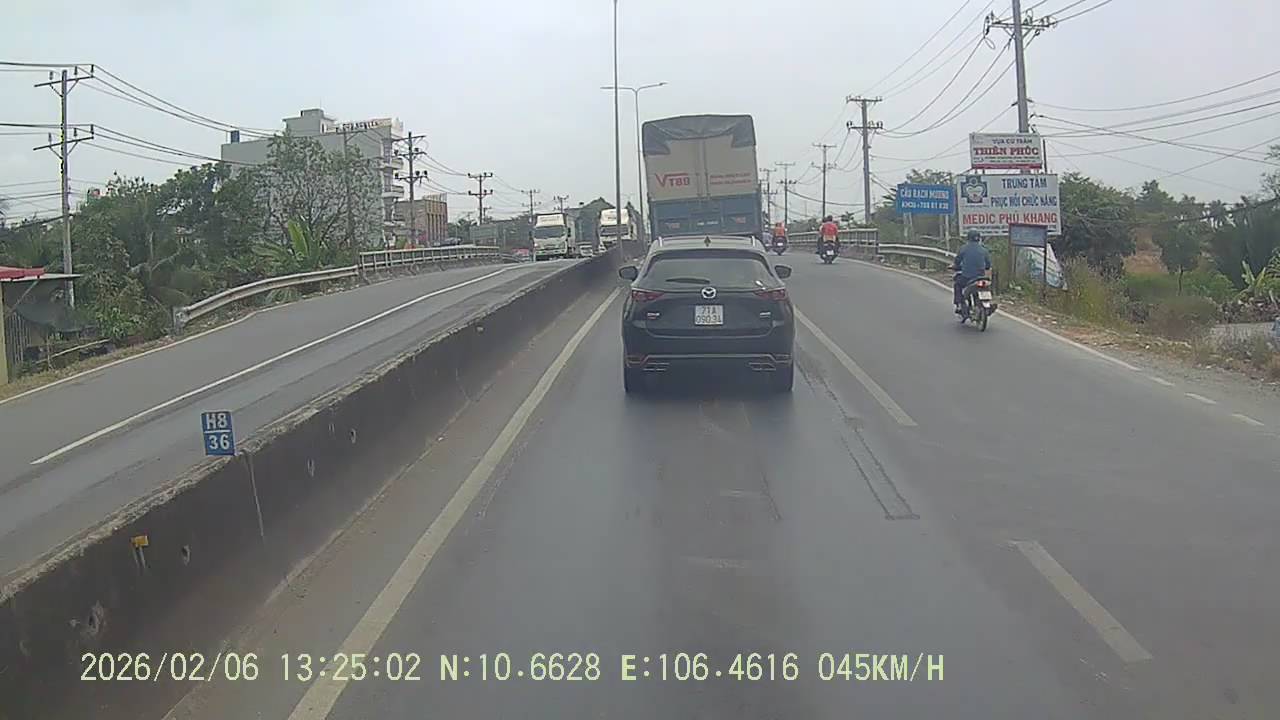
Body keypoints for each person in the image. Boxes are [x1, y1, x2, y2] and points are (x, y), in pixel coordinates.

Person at [953, 230, 993, 313]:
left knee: (957, 285)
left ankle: (959, 304)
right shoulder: (984, 250)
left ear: (968, 238)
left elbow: (957, 261)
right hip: (981, 277)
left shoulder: (963, 248)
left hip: (967, 277)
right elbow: (988, 265)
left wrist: (956, 266)